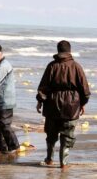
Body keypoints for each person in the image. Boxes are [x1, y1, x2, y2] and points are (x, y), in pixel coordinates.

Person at [36, 40, 90, 169]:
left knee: (51, 134)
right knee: (67, 135)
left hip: (52, 104)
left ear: (58, 50)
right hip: (72, 106)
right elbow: (85, 90)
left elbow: (43, 87)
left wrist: (40, 101)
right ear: (69, 51)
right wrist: (82, 103)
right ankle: (64, 163)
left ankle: (49, 159)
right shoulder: (76, 66)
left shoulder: (51, 66)